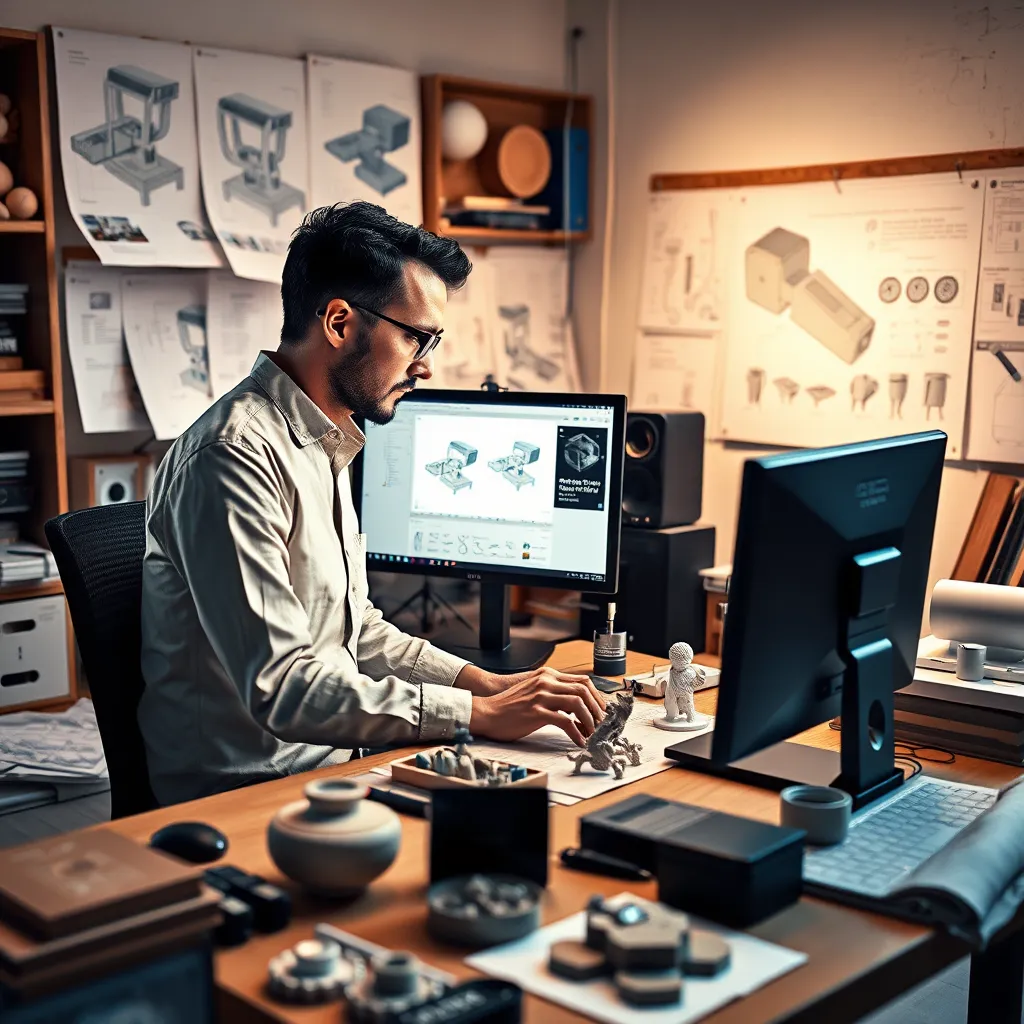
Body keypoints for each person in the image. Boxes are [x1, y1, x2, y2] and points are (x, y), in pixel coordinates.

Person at [138, 202, 605, 805]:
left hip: (336, 768)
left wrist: (486, 685)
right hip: (243, 797)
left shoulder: (321, 438)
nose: (428, 365)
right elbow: (282, 686)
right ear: (339, 322)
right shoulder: (232, 458)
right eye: (417, 336)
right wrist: (474, 713)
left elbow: (356, 632)